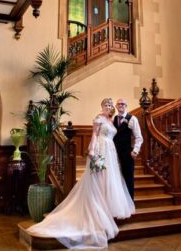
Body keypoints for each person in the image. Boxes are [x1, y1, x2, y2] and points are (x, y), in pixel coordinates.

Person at [27, 98, 135, 249]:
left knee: (110, 179)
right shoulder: (98, 118)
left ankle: (107, 207)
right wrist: (91, 150)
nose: (108, 107)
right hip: (101, 148)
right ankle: (98, 208)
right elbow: (95, 135)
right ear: (102, 106)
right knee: (98, 178)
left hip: (111, 151)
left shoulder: (112, 120)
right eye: (106, 105)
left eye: (110, 105)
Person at [113, 98, 143, 200]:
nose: (120, 105)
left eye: (123, 104)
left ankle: (130, 202)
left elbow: (139, 137)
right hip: (114, 153)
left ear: (126, 106)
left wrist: (135, 151)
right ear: (116, 106)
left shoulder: (132, 119)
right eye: (118, 104)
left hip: (127, 153)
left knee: (128, 178)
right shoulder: (114, 119)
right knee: (116, 178)